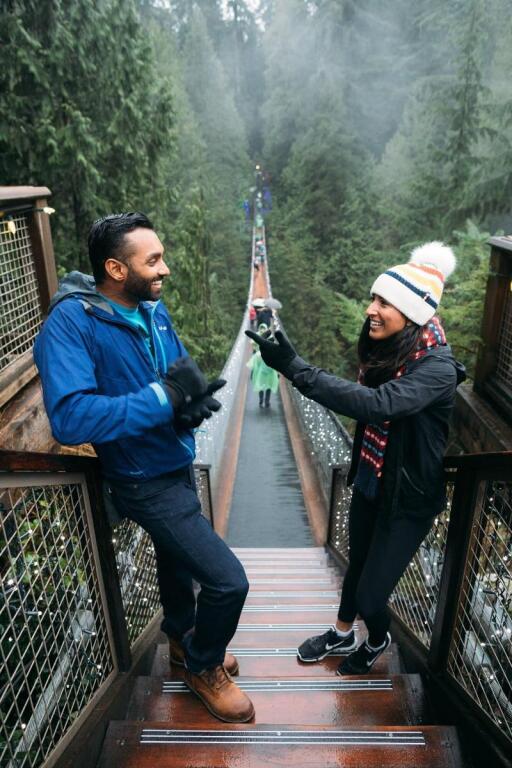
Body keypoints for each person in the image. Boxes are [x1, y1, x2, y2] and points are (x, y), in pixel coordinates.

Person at [34, 212, 254, 723]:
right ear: (116, 269)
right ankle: (203, 666)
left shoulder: (150, 307)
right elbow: (70, 417)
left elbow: (174, 367)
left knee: (177, 563)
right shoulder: (71, 323)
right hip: (141, 478)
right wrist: (164, 399)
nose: (165, 269)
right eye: (152, 261)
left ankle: (182, 640)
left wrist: (188, 402)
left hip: (175, 458)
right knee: (228, 581)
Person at [247, 242, 466, 675]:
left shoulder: (437, 369)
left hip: (408, 500)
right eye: (373, 298)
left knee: (371, 595)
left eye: (383, 302)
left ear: (412, 311)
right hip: (371, 478)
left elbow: (379, 405)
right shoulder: (392, 350)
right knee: (355, 568)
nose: (371, 309)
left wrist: (295, 366)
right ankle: (343, 632)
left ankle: (377, 638)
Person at [247, 323, 279, 408]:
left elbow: (256, 364)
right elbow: (276, 365)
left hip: (262, 373)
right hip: (269, 373)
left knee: (261, 386)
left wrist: (254, 373)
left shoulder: (259, 354)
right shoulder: (273, 354)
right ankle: (266, 401)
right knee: (268, 386)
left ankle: (262, 400)